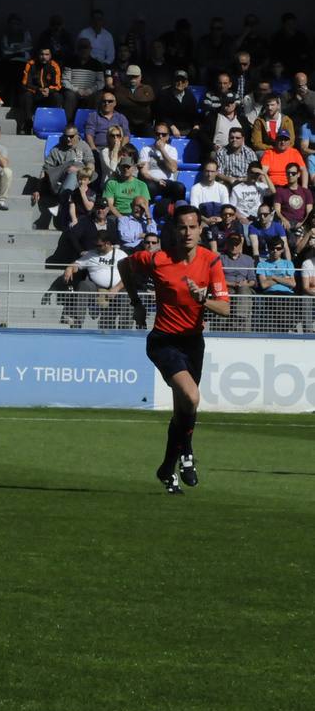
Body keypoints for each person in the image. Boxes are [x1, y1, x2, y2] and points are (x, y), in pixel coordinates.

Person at [121, 204, 231, 494]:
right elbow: (124, 265)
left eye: (192, 227)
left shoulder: (210, 261)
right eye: (182, 227)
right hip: (164, 340)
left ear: (200, 229)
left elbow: (224, 308)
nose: (187, 232)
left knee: (184, 408)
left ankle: (167, 469)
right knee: (191, 396)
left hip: (193, 341)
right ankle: (187, 454)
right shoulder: (158, 259)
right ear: (174, 230)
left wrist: (202, 298)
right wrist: (136, 302)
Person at [61, 230, 129, 329]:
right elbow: (77, 264)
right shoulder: (91, 255)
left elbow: (129, 275)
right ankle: (77, 322)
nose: (96, 248)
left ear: (108, 244)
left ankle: (125, 328)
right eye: (95, 245)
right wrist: (69, 267)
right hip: (96, 288)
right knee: (84, 285)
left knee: (127, 294)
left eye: (99, 245)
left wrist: (117, 288)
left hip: (118, 288)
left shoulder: (121, 255)